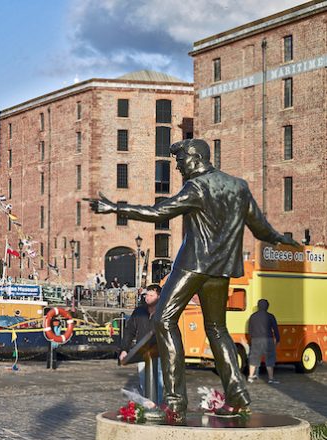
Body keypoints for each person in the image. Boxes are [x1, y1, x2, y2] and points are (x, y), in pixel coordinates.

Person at [90, 138, 297, 420]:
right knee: (217, 329)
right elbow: (260, 228)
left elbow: (159, 213)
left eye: (180, 162)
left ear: (195, 157)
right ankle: (237, 397)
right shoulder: (239, 186)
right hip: (221, 269)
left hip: (193, 265)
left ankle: (175, 403)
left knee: (163, 320)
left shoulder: (197, 186)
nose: (177, 168)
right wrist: (282, 239)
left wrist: (116, 208)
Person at [119, 284, 163, 403]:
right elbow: (130, 331)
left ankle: (160, 407)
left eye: (151, 295)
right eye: (146, 295)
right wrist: (124, 349)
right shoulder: (139, 311)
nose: (147, 297)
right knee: (144, 382)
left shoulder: (163, 312)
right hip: (142, 352)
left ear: (159, 297)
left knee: (160, 382)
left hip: (160, 353)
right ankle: (148, 406)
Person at [247, 299, 281, 384]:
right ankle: (271, 378)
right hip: (268, 339)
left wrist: (251, 339)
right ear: (267, 307)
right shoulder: (270, 316)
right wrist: (278, 339)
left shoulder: (253, 316)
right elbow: (275, 329)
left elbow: (250, 329)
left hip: (256, 339)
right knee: (270, 358)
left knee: (254, 357)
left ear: (258, 306)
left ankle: (250, 377)